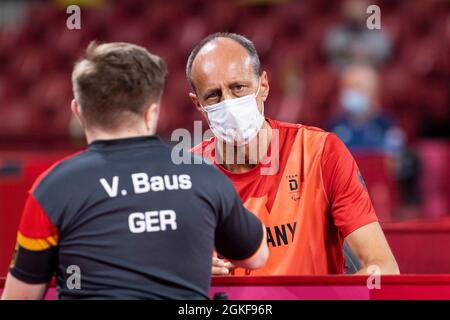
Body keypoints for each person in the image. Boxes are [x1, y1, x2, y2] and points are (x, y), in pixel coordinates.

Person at [1, 42, 268, 300]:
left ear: (78, 112)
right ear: (152, 113)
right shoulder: (203, 175)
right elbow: (257, 257)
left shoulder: (52, 188)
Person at [187, 32, 399, 276]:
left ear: (263, 86)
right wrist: (190, 274)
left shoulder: (322, 152)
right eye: (214, 95)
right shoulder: (188, 175)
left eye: (238, 88)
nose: (229, 103)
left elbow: (384, 268)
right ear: (198, 104)